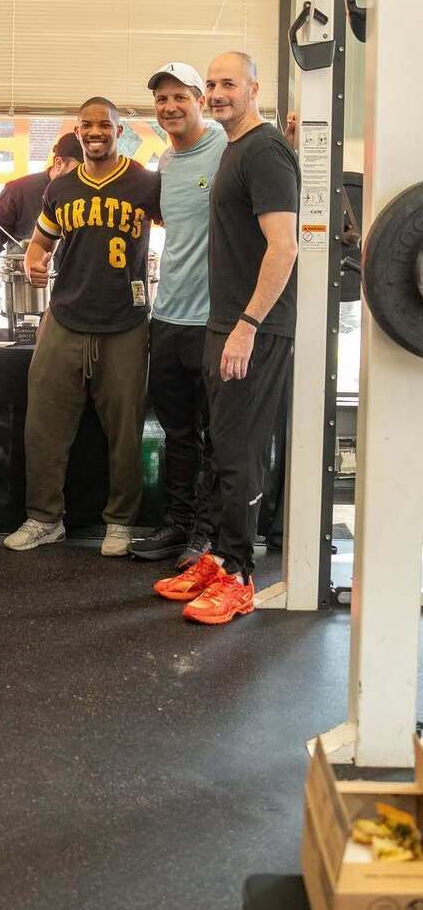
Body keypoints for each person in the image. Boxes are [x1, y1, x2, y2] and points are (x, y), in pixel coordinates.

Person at [154, 52, 299, 625]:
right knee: (221, 448)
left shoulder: (264, 151)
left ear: (254, 89)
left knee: (238, 453)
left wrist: (248, 325)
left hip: (252, 328)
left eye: (228, 84)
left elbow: (284, 245)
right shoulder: (233, 148)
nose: (216, 93)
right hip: (224, 323)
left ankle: (239, 575)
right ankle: (216, 558)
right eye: (211, 84)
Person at [4, 97, 161, 557]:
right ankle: (44, 519)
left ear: (119, 131)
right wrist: (34, 263)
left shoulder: (146, 182)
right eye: (87, 125)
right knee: (44, 426)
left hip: (124, 320)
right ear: (77, 131)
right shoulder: (62, 188)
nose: (96, 132)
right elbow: (40, 244)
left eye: (105, 125)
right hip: (66, 317)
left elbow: (187, 227)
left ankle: (120, 522)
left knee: (125, 432)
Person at [129, 62, 227, 569]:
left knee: (214, 436)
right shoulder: (166, 161)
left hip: (214, 320)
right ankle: (178, 523)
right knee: (178, 433)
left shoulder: (228, 146)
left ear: (200, 101)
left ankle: (207, 534)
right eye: (162, 99)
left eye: (180, 97)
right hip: (167, 316)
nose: (170, 107)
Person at [0, 131, 83, 254]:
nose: (83, 176)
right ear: (58, 163)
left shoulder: (91, 195)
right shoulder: (19, 190)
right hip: (24, 265)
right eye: (78, 170)